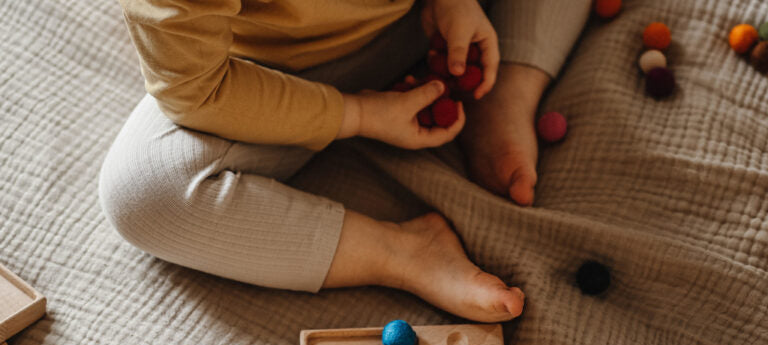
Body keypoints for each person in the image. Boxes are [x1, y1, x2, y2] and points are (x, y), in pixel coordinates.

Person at [100, 0, 591, 322]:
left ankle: (506, 88)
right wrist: (354, 115)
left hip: (425, 16)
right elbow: (196, 89)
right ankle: (399, 253)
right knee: (145, 190)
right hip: (278, 71)